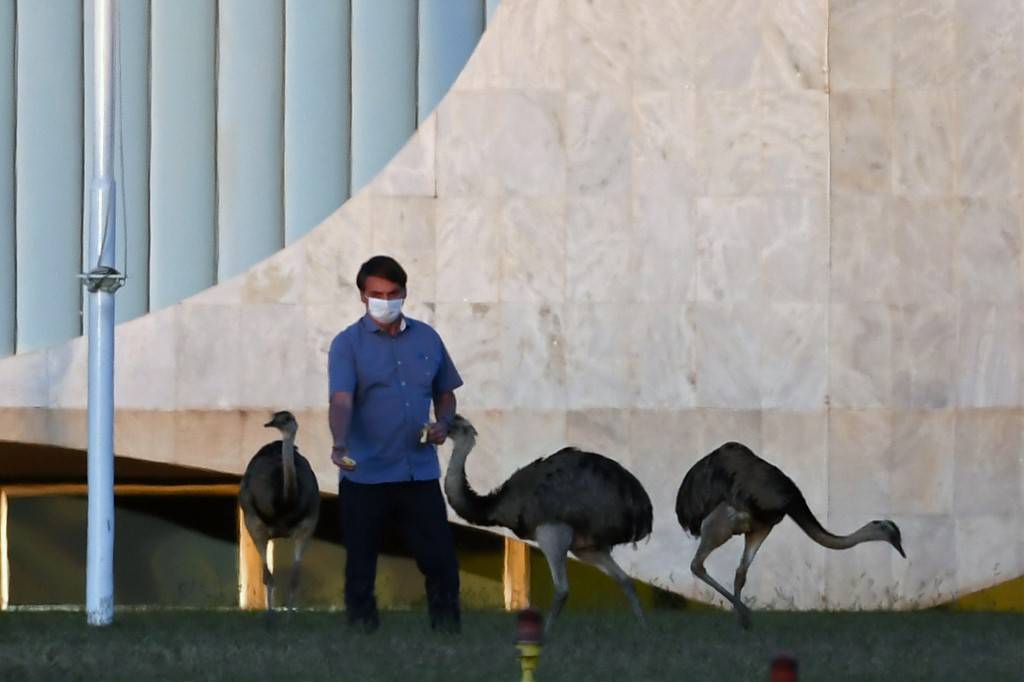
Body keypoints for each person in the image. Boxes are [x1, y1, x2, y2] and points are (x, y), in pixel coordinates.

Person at [327, 255, 463, 633]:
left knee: (440, 561)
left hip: (417, 472)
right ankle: (362, 635)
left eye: (391, 293)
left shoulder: (427, 338)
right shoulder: (346, 345)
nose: (384, 300)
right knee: (360, 564)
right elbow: (341, 399)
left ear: (404, 293)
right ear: (362, 296)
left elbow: (446, 392)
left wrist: (444, 423)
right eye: (376, 294)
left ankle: (448, 633)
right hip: (365, 474)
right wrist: (339, 443)